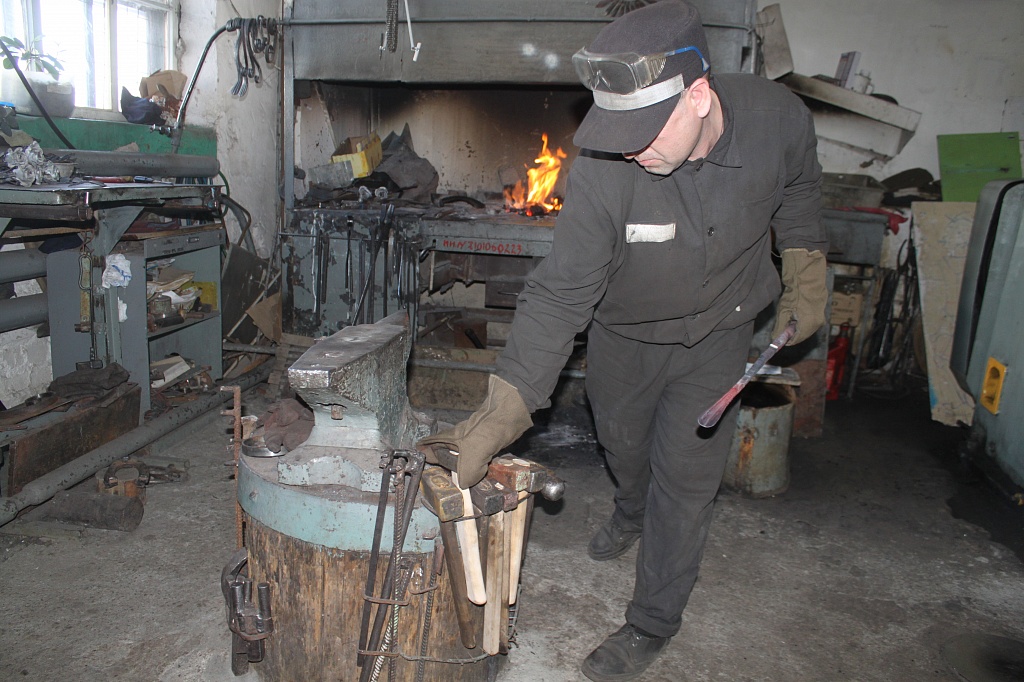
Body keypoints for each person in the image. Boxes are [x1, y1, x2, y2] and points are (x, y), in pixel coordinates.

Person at [420, 1, 828, 679]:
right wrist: (495, 418)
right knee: (625, 447)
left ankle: (651, 622)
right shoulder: (606, 170)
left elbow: (801, 190)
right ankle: (631, 506)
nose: (631, 149)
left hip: (720, 334)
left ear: (699, 95)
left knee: (686, 484)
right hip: (625, 338)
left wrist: (806, 268)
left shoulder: (778, 118)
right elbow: (560, 293)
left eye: (644, 131)